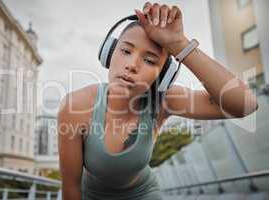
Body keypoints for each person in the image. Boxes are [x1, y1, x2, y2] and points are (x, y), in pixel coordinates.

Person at [57, 2, 258, 200]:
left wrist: (179, 44)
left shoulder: (163, 101)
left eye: (150, 60)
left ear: (163, 77)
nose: (132, 65)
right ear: (109, 52)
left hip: (143, 193)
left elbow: (245, 104)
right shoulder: (75, 106)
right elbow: (71, 187)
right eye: (126, 51)